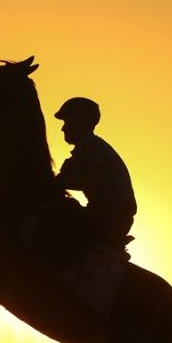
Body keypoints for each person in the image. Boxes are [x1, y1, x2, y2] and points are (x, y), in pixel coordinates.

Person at [53, 97, 136, 257]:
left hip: (109, 218)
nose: (63, 128)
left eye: (67, 122)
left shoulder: (91, 149)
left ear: (79, 123)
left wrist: (56, 183)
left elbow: (90, 179)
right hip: (107, 215)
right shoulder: (90, 148)